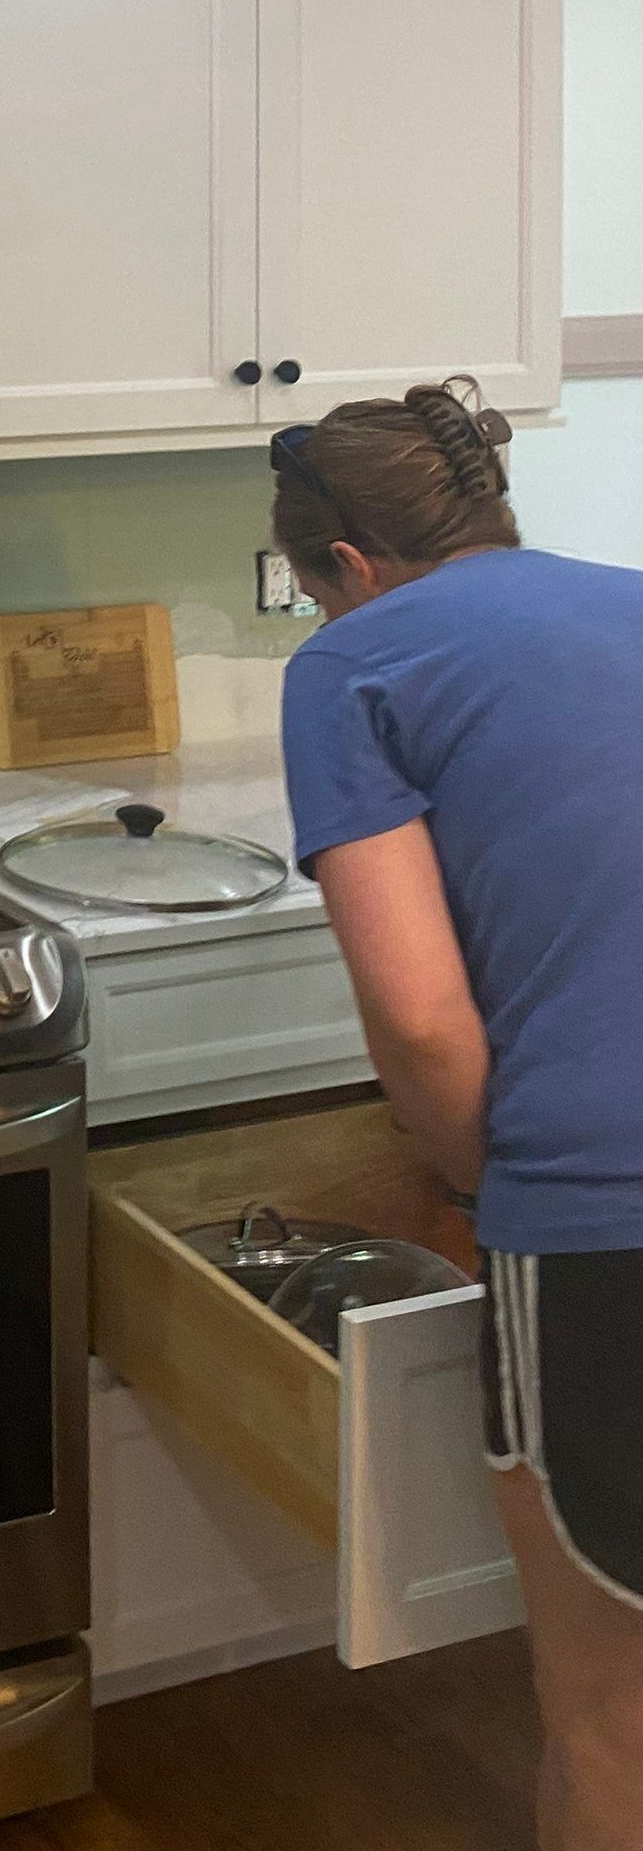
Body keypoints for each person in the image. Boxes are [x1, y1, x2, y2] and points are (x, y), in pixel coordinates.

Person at [272, 379, 643, 1850]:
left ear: (345, 566)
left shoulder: (352, 664)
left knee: (609, 1717)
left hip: (610, 1212)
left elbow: (421, 1018)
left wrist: (496, 1184)